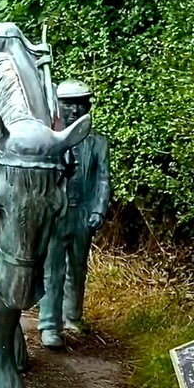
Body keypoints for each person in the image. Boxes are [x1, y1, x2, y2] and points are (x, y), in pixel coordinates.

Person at [39, 79, 111, 349]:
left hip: (82, 214)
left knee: (78, 269)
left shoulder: (98, 144)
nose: (74, 111)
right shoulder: (49, 141)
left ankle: (72, 317)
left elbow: (103, 179)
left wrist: (98, 210)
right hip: (58, 215)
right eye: (68, 105)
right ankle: (49, 324)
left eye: (80, 105)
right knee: (52, 269)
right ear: (58, 107)